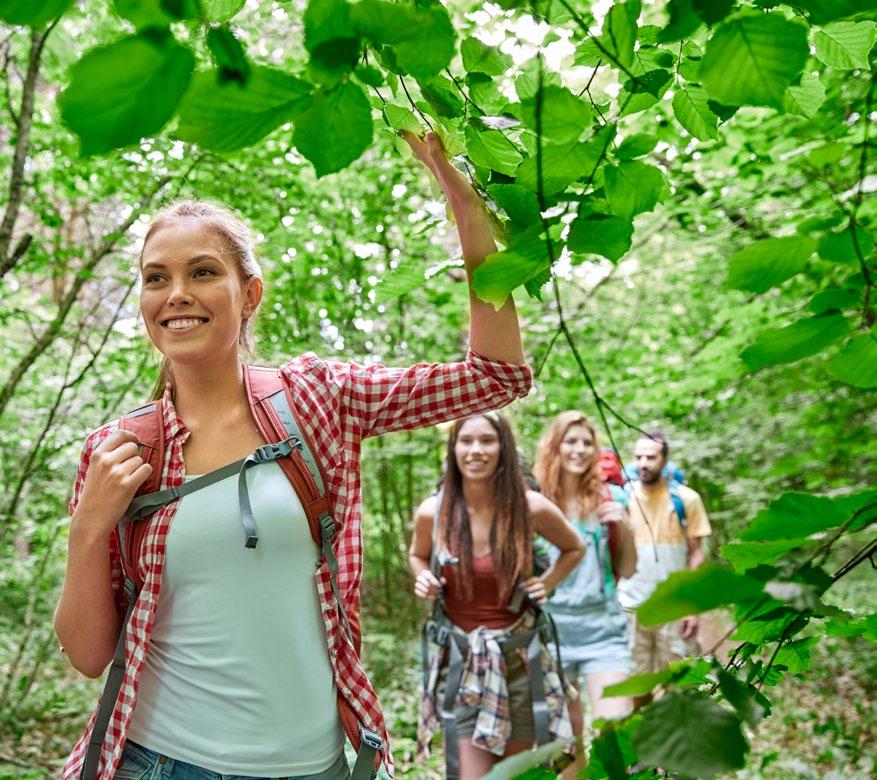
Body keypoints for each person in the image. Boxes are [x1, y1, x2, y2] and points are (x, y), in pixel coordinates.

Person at [53, 131, 533, 780]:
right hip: (159, 762)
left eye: (202, 272)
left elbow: (494, 378)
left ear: (249, 294)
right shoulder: (120, 451)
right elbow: (88, 656)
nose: (176, 294)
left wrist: (467, 215)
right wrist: (88, 526)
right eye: (155, 278)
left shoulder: (319, 400)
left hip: (315, 765)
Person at [409, 412, 584, 780]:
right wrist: (423, 577)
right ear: (453, 449)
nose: (476, 450)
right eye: (466, 441)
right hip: (460, 662)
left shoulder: (529, 506)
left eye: (487, 441)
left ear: (503, 448)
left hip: (519, 661)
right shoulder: (434, 512)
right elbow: (418, 554)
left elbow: (574, 547)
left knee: (508, 775)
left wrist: (547, 583)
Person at [533, 412, 637, 778]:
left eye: (586, 442)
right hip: (551, 634)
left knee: (615, 732)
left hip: (603, 630)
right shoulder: (538, 500)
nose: (579, 449)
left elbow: (627, 569)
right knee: (567, 743)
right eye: (571, 441)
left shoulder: (613, 496)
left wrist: (622, 526)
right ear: (555, 447)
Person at [617, 431, 712, 696]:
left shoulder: (687, 499)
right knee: (634, 692)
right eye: (638, 457)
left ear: (665, 459)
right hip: (631, 608)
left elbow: (696, 554)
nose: (643, 463)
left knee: (682, 687)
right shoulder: (623, 499)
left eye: (651, 456)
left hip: (674, 608)